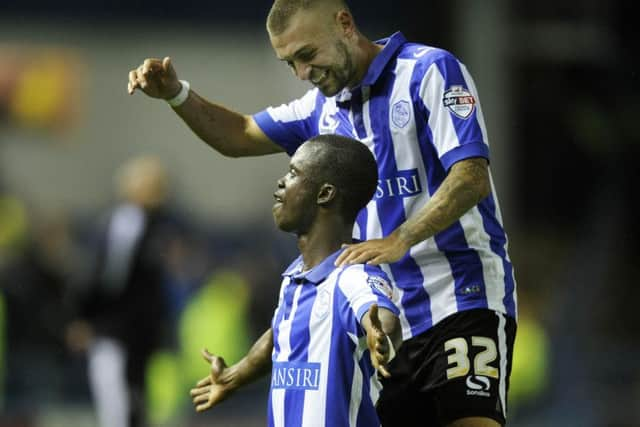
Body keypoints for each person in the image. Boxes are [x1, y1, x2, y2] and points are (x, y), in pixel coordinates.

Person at [128, 1, 517, 425]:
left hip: (460, 299)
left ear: (344, 25)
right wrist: (176, 94)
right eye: (290, 62)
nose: (301, 73)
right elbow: (237, 135)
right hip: (376, 318)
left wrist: (400, 238)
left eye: (307, 55)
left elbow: (471, 176)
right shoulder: (319, 110)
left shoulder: (430, 72)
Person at [189, 134, 402, 426]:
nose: (281, 183)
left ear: (325, 194)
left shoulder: (352, 275)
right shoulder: (294, 277)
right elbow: (281, 334)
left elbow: (382, 318)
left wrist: (383, 337)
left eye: (293, 173)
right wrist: (234, 376)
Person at [66, 156, 177, 427]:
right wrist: (84, 317)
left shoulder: (153, 224)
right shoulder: (128, 222)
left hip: (136, 337)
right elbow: (106, 277)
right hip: (115, 335)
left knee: (130, 410)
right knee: (119, 412)